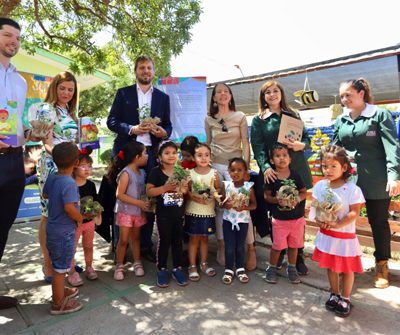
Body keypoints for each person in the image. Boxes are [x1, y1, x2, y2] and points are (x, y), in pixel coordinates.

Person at [333, 78, 400, 288]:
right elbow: (335, 148)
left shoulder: (379, 114)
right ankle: (346, 263)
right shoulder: (341, 120)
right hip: (348, 181)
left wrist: (394, 176)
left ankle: (381, 265)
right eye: (342, 96)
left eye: (348, 95)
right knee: (345, 221)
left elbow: (392, 147)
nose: (344, 99)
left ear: (361, 94)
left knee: (378, 222)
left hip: (377, 179)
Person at [107, 55, 172, 263]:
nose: (146, 71)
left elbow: (169, 125)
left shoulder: (163, 97)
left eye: (149, 68)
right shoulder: (123, 93)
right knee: (122, 197)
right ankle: (119, 245)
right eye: (142, 68)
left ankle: (144, 245)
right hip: (126, 153)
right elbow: (111, 121)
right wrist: (131, 129)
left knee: (148, 199)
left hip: (151, 155)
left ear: (154, 71)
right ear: (136, 71)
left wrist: (164, 132)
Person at [251, 80, 312, 275]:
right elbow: (258, 146)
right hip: (274, 173)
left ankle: (298, 255)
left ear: (281, 93)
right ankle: (280, 253)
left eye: (275, 91)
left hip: (297, 169)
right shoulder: (259, 119)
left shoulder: (293, 114)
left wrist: (302, 145)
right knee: (277, 214)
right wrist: (266, 166)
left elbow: (307, 138)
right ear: (263, 97)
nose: (272, 94)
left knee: (297, 213)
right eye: (267, 92)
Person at [0, 17, 37, 309]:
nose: (14, 41)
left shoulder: (20, 80)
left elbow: (18, 122)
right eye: (8, 35)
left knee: (3, 227)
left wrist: (29, 132)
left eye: (17, 38)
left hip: (12, 162)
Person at [205, 83, 256, 271]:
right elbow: (208, 143)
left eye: (226, 91)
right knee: (221, 208)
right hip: (217, 166)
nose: (222, 94)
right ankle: (222, 246)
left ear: (230, 95)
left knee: (243, 207)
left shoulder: (240, 116)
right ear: (214, 98)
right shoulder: (209, 119)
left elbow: (245, 142)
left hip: (236, 168)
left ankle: (250, 249)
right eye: (218, 92)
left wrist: (246, 166)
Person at [310, 145, 365, 317]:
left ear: (345, 167)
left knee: (347, 269)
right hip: (327, 236)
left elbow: (354, 212)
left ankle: (346, 298)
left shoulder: (352, 189)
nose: (329, 170)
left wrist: (338, 224)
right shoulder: (320, 186)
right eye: (325, 166)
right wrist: (319, 221)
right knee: (331, 267)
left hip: (344, 237)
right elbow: (315, 207)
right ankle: (334, 293)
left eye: (334, 166)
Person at [37, 71, 79, 283]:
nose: (66, 92)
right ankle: (48, 263)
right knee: (49, 215)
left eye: (70, 89)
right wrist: (64, 159)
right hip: (53, 167)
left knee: (66, 214)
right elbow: (47, 141)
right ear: (55, 88)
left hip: (69, 167)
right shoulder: (47, 109)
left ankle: (64, 259)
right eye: (62, 88)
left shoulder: (70, 112)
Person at [43, 142, 84, 315]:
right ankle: (58, 303)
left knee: (57, 265)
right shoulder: (69, 183)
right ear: (76, 163)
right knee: (60, 269)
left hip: (52, 228)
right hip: (63, 232)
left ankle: (59, 291)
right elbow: (69, 208)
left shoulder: (53, 176)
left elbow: (45, 194)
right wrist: (80, 218)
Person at [146, 141, 189, 288]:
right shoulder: (155, 172)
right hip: (163, 214)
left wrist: (183, 188)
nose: (171, 156)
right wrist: (165, 188)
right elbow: (149, 191)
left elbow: (184, 192)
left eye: (174, 153)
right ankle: (162, 269)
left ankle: (177, 268)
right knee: (164, 241)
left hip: (178, 212)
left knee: (178, 241)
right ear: (159, 156)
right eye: (167, 153)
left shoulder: (180, 171)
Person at [264, 144, 307, 284]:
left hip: (297, 219)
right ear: (271, 161)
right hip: (280, 220)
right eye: (277, 156)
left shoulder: (296, 175)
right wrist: (277, 200)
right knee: (277, 247)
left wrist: (297, 200)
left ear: (290, 159)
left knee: (294, 246)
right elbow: (267, 196)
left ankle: (292, 268)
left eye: (284, 155)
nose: (281, 158)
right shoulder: (271, 177)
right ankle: (272, 268)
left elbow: (303, 192)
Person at [112, 141, 149, 281]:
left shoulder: (142, 173)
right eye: (145, 153)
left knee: (136, 238)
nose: (147, 156)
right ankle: (119, 265)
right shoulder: (126, 173)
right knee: (123, 240)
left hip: (138, 213)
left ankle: (137, 262)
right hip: (125, 212)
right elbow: (119, 194)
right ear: (136, 156)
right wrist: (139, 202)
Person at [185, 143, 220, 281]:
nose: (203, 158)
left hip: (208, 212)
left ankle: (204, 264)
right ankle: (192, 266)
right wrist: (192, 196)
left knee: (205, 239)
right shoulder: (190, 174)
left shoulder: (214, 173)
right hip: (193, 211)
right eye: (199, 155)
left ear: (211, 157)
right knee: (193, 240)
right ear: (193, 158)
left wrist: (214, 195)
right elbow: (186, 192)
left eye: (206, 155)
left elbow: (218, 189)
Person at [220, 158, 256, 285]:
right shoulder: (226, 185)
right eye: (233, 170)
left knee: (240, 246)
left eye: (239, 170)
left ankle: (240, 269)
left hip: (243, 221)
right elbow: (221, 203)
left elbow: (254, 205)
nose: (236, 172)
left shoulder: (248, 187)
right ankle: (229, 269)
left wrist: (244, 207)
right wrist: (225, 205)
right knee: (229, 247)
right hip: (228, 221)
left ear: (245, 171)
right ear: (229, 172)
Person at [67, 147, 99, 287]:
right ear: (74, 167)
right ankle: (72, 272)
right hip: (73, 224)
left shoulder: (91, 184)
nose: (87, 169)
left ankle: (89, 266)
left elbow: (95, 202)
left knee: (88, 245)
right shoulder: (69, 184)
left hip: (89, 223)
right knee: (71, 248)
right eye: (83, 166)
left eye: (90, 166)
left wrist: (98, 215)